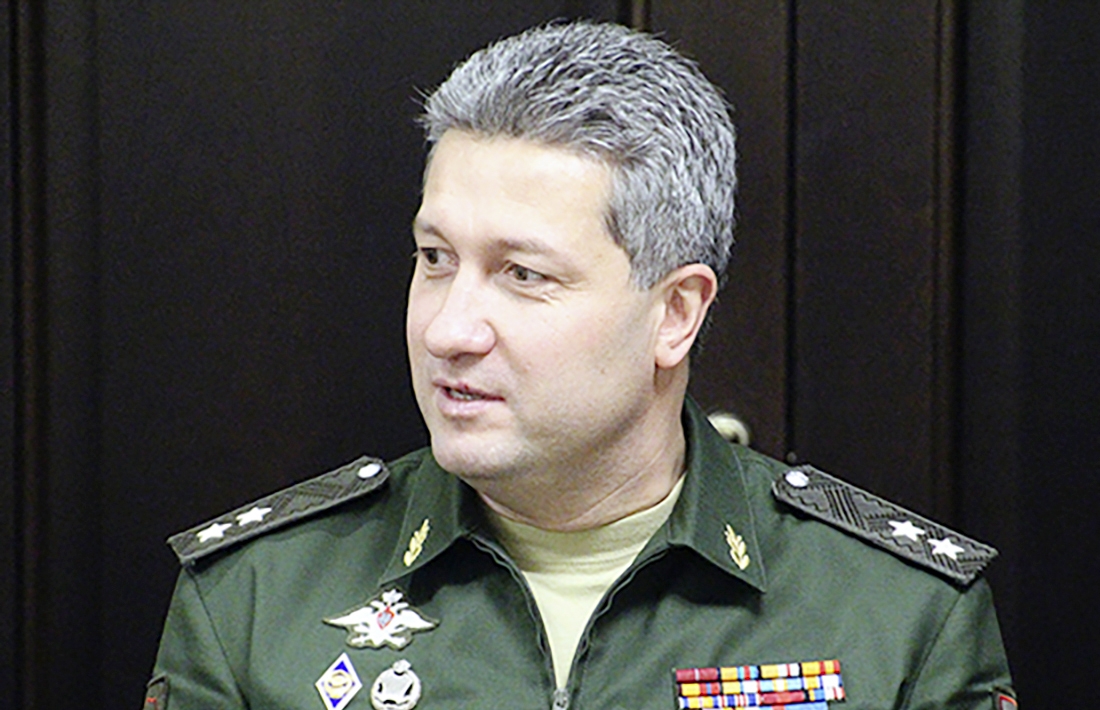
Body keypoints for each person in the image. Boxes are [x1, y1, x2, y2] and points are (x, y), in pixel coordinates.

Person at [145, 21, 1016, 710]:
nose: (449, 329)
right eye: (436, 258)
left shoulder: (897, 617)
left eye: (523, 275)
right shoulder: (256, 602)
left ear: (675, 314)